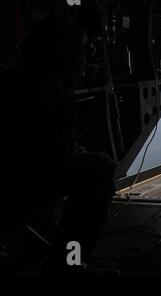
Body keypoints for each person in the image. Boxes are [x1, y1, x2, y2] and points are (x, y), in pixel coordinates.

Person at [2, 17, 116, 274]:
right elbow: (51, 157)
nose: (83, 62)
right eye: (79, 54)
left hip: (13, 181)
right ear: (62, 54)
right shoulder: (45, 87)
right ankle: (66, 265)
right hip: (14, 188)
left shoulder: (17, 79)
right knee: (101, 170)